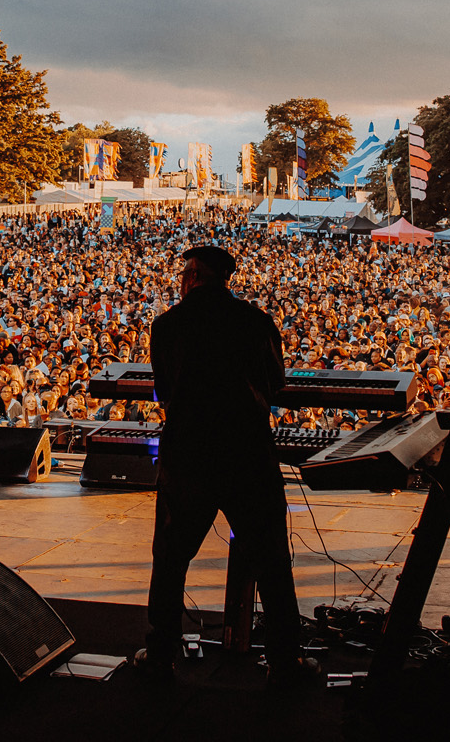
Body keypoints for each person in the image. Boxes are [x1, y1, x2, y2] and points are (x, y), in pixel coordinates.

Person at [135, 245, 318, 690]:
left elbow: (164, 390)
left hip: (189, 456)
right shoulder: (255, 322)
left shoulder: (168, 325)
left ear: (195, 276)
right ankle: (284, 660)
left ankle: (161, 656)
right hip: (246, 454)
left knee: (171, 558)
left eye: (185, 274)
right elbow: (276, 382)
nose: (181, 281)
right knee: (272, 560)